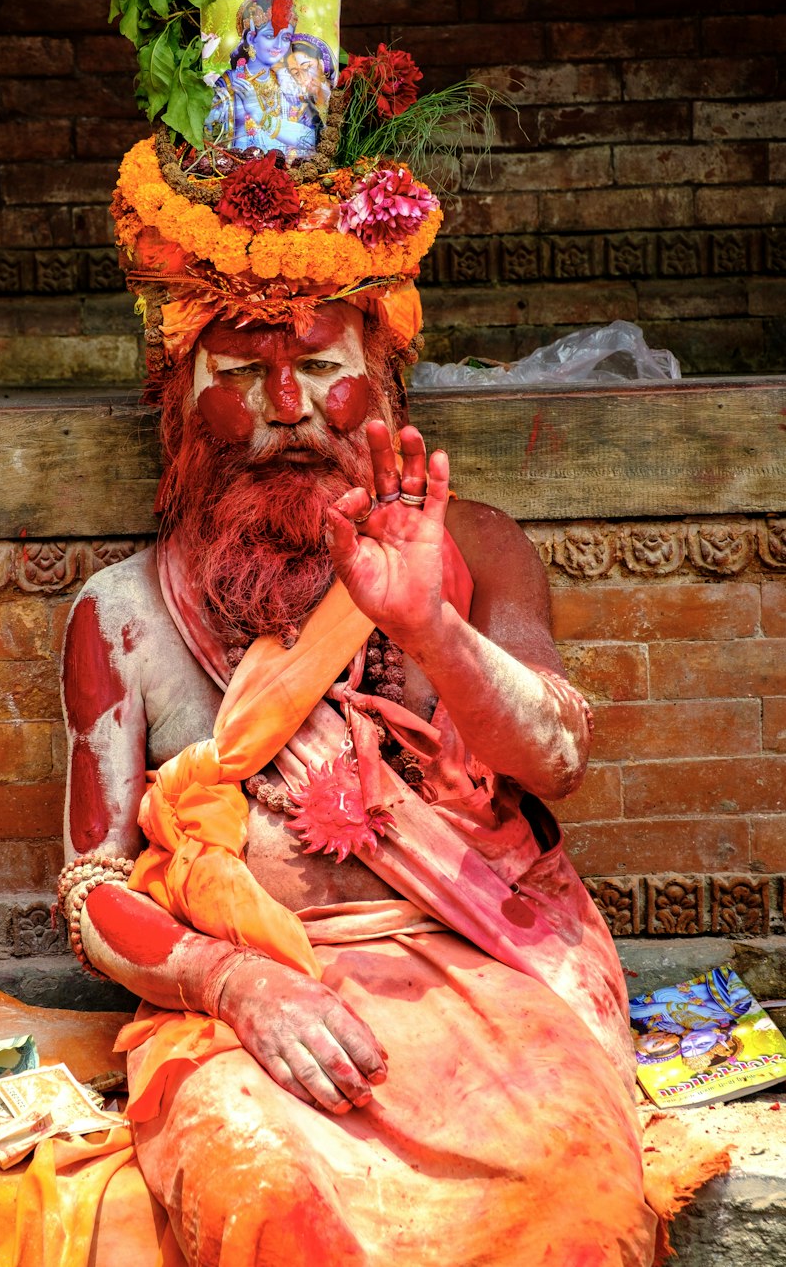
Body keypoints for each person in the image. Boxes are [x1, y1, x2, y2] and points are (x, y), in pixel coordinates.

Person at [57, 232, 660, 1259]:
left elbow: (554, 760)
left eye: (322, 370)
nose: (285, 405)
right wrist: (234, 984)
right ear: (180, 409)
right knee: (275, 1205)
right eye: (243, 374)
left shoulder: (475, 546)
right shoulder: (122, 613)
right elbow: (90, 887)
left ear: (381, 390)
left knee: (578, 1209)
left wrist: (432, 627)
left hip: (488, 972)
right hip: (252, 1009)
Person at [203, 0, 324, 157]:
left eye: (285, 37)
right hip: (238, 176)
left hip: (288, 177)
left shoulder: (290, 85)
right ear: (252, 38)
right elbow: (207, 133)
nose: (278, 45)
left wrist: (262, 117)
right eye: (270, 36)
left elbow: (311, 139)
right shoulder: (228, 85)